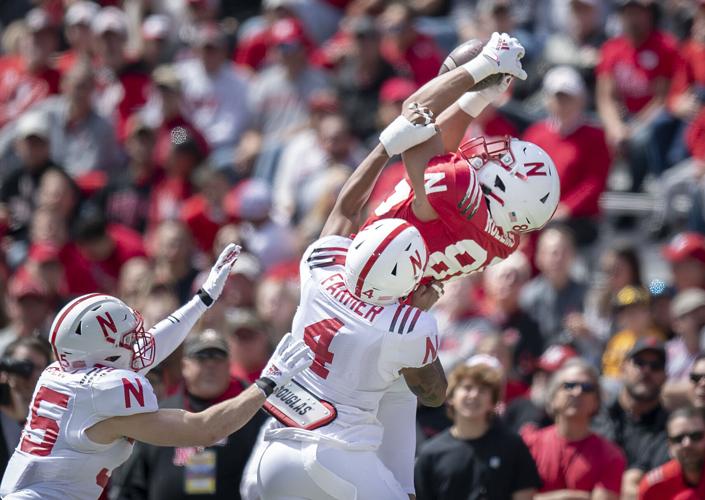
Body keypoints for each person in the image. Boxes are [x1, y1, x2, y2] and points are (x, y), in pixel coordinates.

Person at [0, 244, 313, 500]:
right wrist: (267, 381)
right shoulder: (105, 393)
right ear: (105, 351)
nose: (138, 342)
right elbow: (205, 429)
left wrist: (202, 301)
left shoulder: (60, 372)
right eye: (127, 339)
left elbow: (149, 347)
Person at [254, 104, 449, 498]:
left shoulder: (320, 267)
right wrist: (414, 315)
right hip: (334, 454)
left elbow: (345, 207)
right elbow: (433, 393)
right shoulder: (408, 325)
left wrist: (384, 148)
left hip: (273, 450)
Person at [363, 33, 559, 285]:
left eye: (501, 159)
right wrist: (480, 97)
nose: (490, 153)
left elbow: (416, 115)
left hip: (361, 274)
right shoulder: (504, 244)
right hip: (387, 302)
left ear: (502, 187)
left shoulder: (457, 187)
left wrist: (484, 65)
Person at [112, 329, 267, 499]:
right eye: (201, 357)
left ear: (229, 364)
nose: (210, 365)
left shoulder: (254, 412)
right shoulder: (161, 413)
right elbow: (131, 484)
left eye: (218, 357)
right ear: (184, 366)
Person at [414, 362, 541, 500]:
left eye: (482, 390)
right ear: (450, 397)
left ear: (493, 402)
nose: (474, 395)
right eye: (467, 388)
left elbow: (525, 494)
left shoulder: (513, 446)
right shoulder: (431, 453)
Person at [522, 358, 626, 499]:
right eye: (569, 386)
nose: (577, 392)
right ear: (553, 397)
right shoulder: (528, 444)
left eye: (587, 388)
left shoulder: (610, 455)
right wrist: (573, 497)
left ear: (596, 402)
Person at [592, 339, 670, 499]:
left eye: (656, 366)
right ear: (623, 368)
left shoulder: (673, 429)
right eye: (639, 363)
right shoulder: (593, 416)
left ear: (665, 376)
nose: (647, 370)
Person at [639, 405, 705, 499]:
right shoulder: (653, 486)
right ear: (669, 445)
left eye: (696, 436)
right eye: (678, 439)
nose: (687, 444)